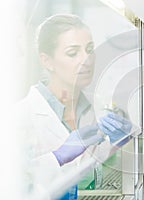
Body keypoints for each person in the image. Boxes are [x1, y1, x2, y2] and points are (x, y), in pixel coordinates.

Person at [17, 14, 131, 199]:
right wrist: (58, 157)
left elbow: (97, 174)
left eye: (89, 49)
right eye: (73, 53)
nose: (86, 60)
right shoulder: (19, 117)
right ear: (46, 60)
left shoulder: (102, 107)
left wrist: (118, 146)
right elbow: (14, 186)